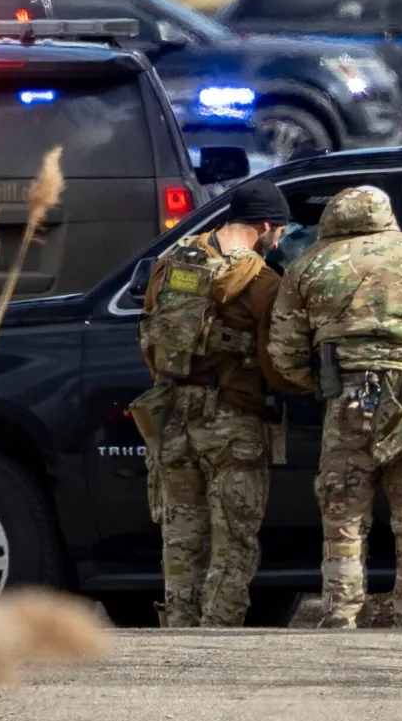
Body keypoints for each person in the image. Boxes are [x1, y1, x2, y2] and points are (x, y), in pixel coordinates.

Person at [268, 185, 402, 629]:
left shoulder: (308, 265)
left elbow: (283, 350)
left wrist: (323, 385)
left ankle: (341, 616)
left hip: (346, 398)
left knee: (343, 513)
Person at [130, 179, 305, 627]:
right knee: (233, 541)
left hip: (170, 416)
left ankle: (178, 632)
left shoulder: (171, 262)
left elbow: (150, 336)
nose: (277, 241)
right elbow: (277, 365)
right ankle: (218, 640)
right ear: (267, 227)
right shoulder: (263, 282)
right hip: (232, 421)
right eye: (279, 233)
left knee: (181, 535)